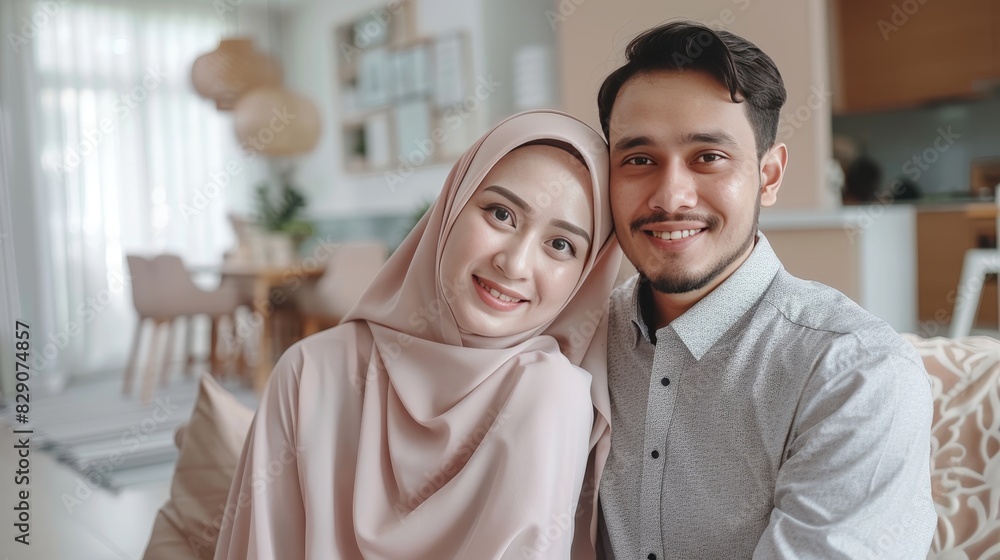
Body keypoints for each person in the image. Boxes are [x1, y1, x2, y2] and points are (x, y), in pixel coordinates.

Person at [213, 110, 623, 559]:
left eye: (561, 245)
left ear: (587, 275)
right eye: (501, 214)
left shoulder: (551, 395)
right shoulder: (308, 372)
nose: (515, 264)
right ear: (450, 208)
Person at [593, 21, 937, 559]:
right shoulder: (579, 338)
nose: (671, 197)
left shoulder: (856, 374)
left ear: (769, 176)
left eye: (709, 156)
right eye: (638, 160)